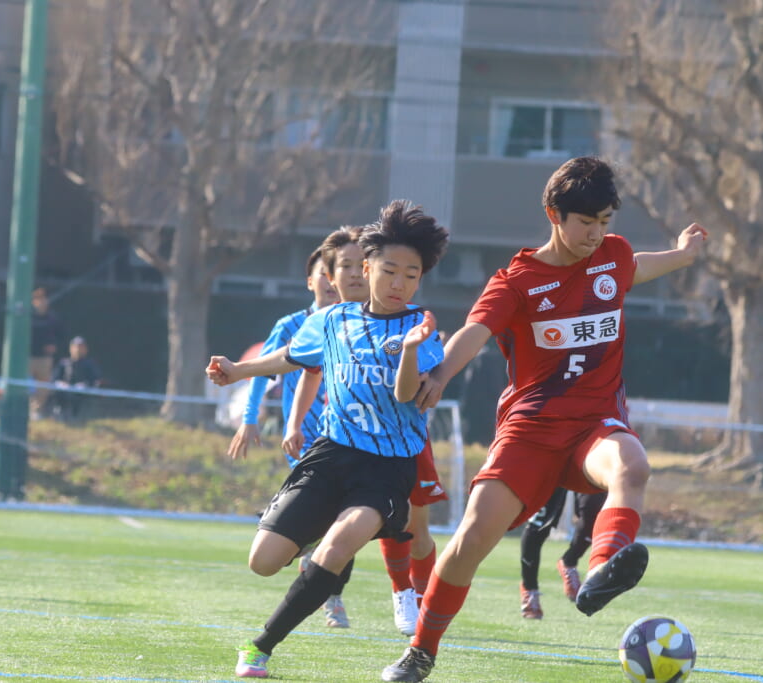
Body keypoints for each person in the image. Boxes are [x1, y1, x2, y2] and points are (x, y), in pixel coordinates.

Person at [382, 156, 708, 682]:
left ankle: (602, 569)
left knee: (633, 465)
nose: (596, 234)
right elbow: (474, 331)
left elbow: (639, 265)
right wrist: (439, 374)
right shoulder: (517, 280)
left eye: (605, 222)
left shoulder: (611, 257)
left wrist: (685, 254)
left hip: (594, 425)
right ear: (554, 215)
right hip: (530, 432)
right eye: (586, 222)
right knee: (469, 541)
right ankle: (421, 651)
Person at [205, 199, 449, 679]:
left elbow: (406, 393)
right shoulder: (333, 320)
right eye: (390, 271)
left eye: (411, 275)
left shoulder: (421, 327)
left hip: (387, 470)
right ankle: (315, 529)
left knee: (335, 550)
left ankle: (260, 647)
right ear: (367, 269)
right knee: (263, 562)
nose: (399, 283)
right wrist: (237, 371)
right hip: (330, 456)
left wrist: (410, 350)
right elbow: (290, 357)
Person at [282, 227, 448, 638]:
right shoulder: (329, 322)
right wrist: (291, 422)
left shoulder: (412, 321)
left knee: (413, 526)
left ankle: (410, 597)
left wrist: (422, 360)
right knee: (346, 520)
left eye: (408, 273)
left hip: (403, 443)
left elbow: (413, 386)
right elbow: (303, 369)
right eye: (345, 267)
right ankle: (352, 590)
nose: (354, 274)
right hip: (344, 442)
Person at [228, 238, 350, 629]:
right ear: (312, 281)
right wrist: (250, 418)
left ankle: (331, 596)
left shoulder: (353, 324)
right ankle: (297, 539)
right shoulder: (292, 326)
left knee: (343, 519)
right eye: (324, 276)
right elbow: (264, 371)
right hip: (301, 439)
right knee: (329, 515)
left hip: (344, 437)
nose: (331, 283)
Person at [518, 488, 606, 619]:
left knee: (594, 513)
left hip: (583, 473)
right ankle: (529, 589)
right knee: (539, 525)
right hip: (550, 474)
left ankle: (569, 562)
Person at [29, 286, 64, 419]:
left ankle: (36, 411)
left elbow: (61, 335)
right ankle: (25, 409)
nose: (41, 302)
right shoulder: (27, 317)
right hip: (27, 357)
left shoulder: (53, 318)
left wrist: (54, 346)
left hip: (44, 359)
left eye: (43, 299)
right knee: (25, 385)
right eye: (37, 299)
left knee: (43, 386)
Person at [50, 336, 103, 420]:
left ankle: (76, 416)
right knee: (59, 393)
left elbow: (96, 380)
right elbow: (54, 378)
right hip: (65, 390)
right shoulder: (64, 363)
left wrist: (85, 384)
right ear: (71, 348)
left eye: (81, 347)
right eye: (75, 347)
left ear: (85, 349)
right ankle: (60, 414)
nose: (78, 349)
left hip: (82, 392)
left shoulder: (90, 364)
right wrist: (61, 383)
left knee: (78, 394)